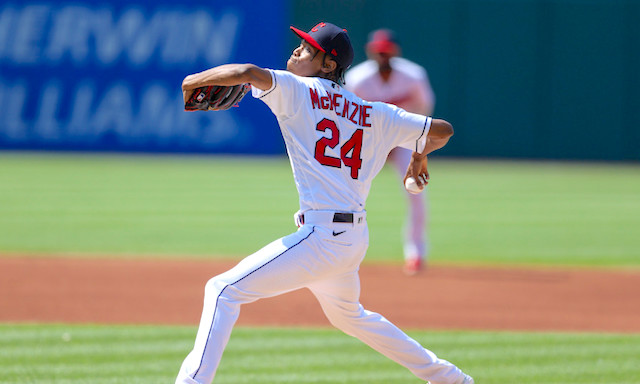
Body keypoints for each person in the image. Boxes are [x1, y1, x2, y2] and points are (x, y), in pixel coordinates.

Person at [177, 22, 473, 384]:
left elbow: (245, 73)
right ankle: (451, 379)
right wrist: (418, 156)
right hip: (351, 240)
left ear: (328, 64)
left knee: (222, 291)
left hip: (322, 237)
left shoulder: (297, 90)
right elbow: (442, 130)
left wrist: (191, 80)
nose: (296, 52)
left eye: (305, 49)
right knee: (351, 317)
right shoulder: (376, 113)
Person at [345, 28, 436, 275]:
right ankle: (343, 249)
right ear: (371, 52)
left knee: (416, 193)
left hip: (406, 139)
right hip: (370, 141)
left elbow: (424, 108)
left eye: (386, 51)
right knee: (349, 191)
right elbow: (347, 117)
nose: (383, 55)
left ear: (394, 51)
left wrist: (418, 147)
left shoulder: (413, 75)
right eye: (378, 51)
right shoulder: (357, 78)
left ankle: (416, 253)